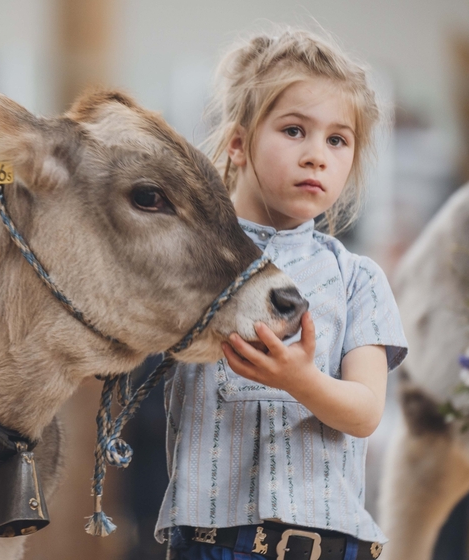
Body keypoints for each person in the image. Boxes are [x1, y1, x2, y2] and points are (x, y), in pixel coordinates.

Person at [157, 27, 408, 560]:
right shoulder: (186, 257)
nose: (317, 155)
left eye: (338, 140)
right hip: (207, 542)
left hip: (327, 545)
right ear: (239, 144)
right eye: (295, 130)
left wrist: (301, 380)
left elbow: (364, 412)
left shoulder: (358, 278)